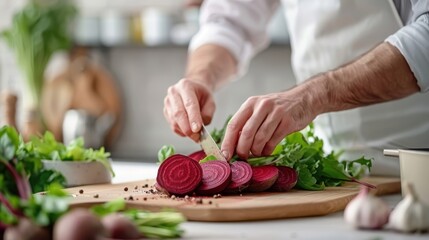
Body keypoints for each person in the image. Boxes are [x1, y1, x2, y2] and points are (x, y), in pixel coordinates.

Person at [163, 0, 429, 176]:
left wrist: (312, 96)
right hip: (334, 174)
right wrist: (200, 77)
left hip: (417, 167)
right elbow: (230, 20)